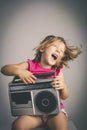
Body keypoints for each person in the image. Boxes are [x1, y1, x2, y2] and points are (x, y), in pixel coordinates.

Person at [1, 35, 81, 130]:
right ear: (43, 48)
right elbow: (4, 69)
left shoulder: (58, 72)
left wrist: (63, 86)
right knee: (18, 126)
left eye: (62, 51)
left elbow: (64, 96)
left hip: (54, 112)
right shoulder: (29, 65)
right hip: (34, 113)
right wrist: (19, 71)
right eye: (55, 47)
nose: (58, 51)